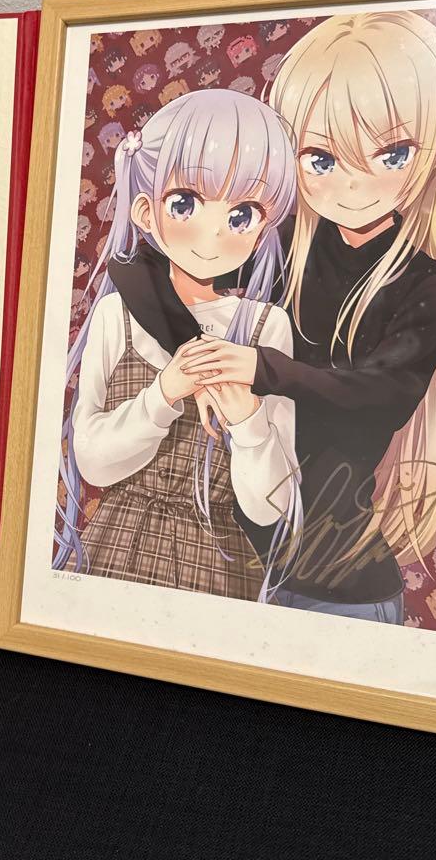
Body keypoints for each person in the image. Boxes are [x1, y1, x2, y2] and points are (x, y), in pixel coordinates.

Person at [180, 12, 436, 623]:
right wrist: (198, 363)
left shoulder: (432, 288)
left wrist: (260, 368)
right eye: (320, 159)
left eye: (391, 153)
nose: (353, 185)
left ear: (434, 151)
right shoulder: (279, 245)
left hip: (339, 583)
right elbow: (158, 271)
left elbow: (377, 394)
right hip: (227, 564)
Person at [55, 88, 302, 603]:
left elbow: (270, 506)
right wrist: (164, 392)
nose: (214, 233)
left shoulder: (265, 327)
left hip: (217, 566)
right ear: (146, 212)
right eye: (185, 203)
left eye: (242, 215)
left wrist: (248, 422)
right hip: (115, 549)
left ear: (263, 229)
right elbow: (92, 461)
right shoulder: (117, 314)